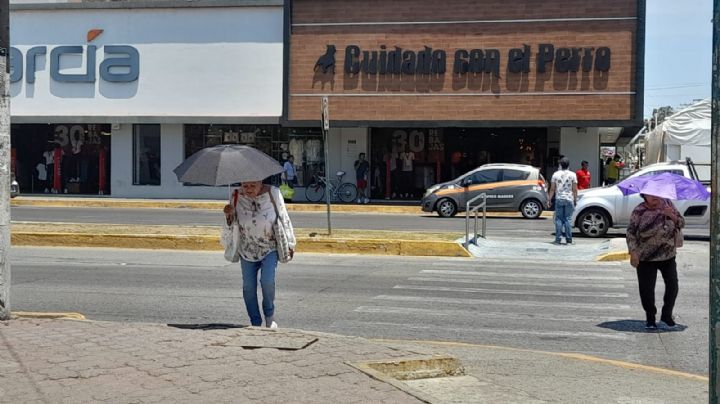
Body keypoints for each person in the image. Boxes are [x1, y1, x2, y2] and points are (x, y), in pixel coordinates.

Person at [222, 180, 296, 328]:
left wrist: (290, 242)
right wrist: (229, 215)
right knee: (248, 287)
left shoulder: (272, 192)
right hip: (247, 248)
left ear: (260, 182)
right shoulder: (236, 195)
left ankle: (269, 317)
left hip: (270, 246)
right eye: (245, 185)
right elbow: (232, 223)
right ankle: (255, 322)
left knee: (267, 282)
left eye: (252, 185)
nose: (248, 189)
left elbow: (283, 216)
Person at [626, 193, 684, 329]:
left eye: (657, 194)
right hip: (646, 256)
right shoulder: (639, 210)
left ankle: (666, 315)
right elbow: (631, 232)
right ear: (644, 196)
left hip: (667, 254)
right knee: (646, 289)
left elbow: (682, 223)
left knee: (673, 285)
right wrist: (633, 252)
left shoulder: (668, 204)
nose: (655, 197)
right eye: (650, 195)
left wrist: (673, 216)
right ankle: (650, 317)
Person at [547, 157, 578, 245]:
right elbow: (574, 189)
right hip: (569, 199)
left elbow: (552, 189)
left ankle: (558, 239)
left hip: (559, 198)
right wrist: (575, 199)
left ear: (560, 165)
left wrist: (549, 199)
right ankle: (569, 240)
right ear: (568, 165)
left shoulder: (555, 174)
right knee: (568, 219)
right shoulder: (573, 175)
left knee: (559, 219)